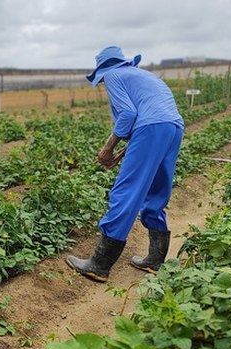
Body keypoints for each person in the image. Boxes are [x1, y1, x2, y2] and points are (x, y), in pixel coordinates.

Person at [66, 46, 184, 282]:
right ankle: (155, 260)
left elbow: (128, 115)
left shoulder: (113, 75)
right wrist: (131, 147)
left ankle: (99, 264)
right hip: (173, 128)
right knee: (156, 190)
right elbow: (154, 115)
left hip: (150, 129)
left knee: (126, 191)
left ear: (103, 69)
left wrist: (108, 147)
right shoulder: (144, 75)